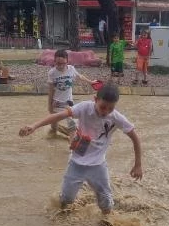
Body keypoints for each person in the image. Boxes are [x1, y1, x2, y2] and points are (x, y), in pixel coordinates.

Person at [19, 83, 143, 214]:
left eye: (110, 108)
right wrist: (34, 126)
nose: (105, 112)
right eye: (103, 107)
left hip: (98, 165)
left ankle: (106, 223)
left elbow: (135, 138)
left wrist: (138, 165)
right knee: (66, 200)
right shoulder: (84, 108)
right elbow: (58, 116)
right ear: (95, 100)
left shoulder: (116, 118)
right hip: (76, 163)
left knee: (106, 204)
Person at [48, 49, 95, 135]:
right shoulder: (52, 73)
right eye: (58, 63)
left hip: (68, 102)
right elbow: (51, 90)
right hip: (56, 103)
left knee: (72, 124)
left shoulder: (71, 69)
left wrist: (91, 82)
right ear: (54, 61)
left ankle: (73, 141)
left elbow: (80, 76)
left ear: (67, 61)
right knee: (53, 127)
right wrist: (49, 105)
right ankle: (56, 131)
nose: (61, 66)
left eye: (63, 63)